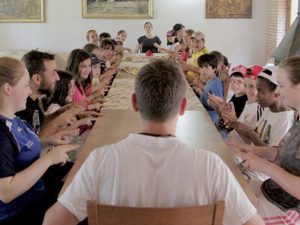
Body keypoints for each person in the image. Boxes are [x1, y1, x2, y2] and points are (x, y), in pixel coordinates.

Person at [43, 59, 264, 225]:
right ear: (183, 106)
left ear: (134, 103)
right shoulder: (211, 166)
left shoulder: (100, 161)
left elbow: (52, 222)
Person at [0, 57, 78, 225]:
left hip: (38, 193)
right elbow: (6, 192)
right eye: (26, 86)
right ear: (8, 89)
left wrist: (48, 143)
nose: (29, 92)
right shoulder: (2, 133)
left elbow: (25, 158)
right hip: (20, 211)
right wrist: (49, 159)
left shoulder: (16, 120)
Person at [227, 56, 300, 224]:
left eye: (281, 85)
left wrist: (264, 166)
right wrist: (257, 151)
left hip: (287, 210)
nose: (278, 91)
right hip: (271, 195)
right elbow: (287, 154)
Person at [197, 53, 224, 124]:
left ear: (214, 68)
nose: (203, 70)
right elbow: (207, 95)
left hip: (210, 117)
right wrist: (200, 92)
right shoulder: (210, 80)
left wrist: (212, 102)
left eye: (206, 67)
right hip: (203, 110)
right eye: (201, 67)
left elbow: (219, 105)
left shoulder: (215, 84)